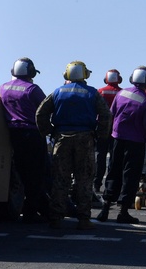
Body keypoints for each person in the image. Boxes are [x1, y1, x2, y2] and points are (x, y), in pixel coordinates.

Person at [35, 61, 111, 229]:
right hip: (85, 139)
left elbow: (41, 113)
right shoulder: (92, 93)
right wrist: (100, 136)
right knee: (84, 179)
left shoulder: (58, 92)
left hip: (62, 139)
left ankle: (56, 218)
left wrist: (49, 132)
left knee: (60, 179)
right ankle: (83, 219)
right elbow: (106, 115)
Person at [97, 66, 146, 224]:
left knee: (113, 171)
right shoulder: (145, 101)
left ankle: (106, 208)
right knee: (130, 175)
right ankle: (123, 211)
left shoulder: (121, 94)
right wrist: (145, 138)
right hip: (135, 142)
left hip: (117, 139)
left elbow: (112, 113)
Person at [0, 57, 50, 223]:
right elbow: (47, 108)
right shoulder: (32, 89)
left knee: (21, 171)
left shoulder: (3, 88)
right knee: (36, 173)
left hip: (13, 134)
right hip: (33, 134)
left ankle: (37, 207)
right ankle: (32, 211)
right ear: (31, 72)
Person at [95, 69, 122, 194]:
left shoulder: (100, 91)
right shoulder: (122, 93)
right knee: (113, 158)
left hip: (101, 128)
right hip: (115, 129)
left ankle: (96, 183)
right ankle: (110, 186)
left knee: (100, 156)